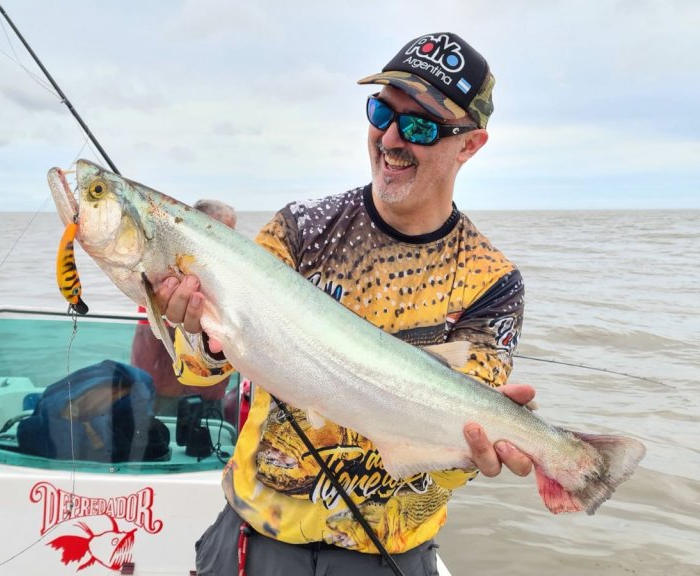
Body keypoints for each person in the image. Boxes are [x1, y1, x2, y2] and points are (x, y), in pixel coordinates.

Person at [156, 32, 535, 575]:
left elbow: (455, 461)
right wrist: (189, 328)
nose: (391, 137)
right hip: (254, 536)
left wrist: (485, 449)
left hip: (386, 553)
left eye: (422, 125)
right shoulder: (301, 229)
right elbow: (201, 367)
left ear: (469, 144)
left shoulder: (490, 283)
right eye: (382, 110)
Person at [130, 199, 238, 417]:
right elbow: (152, 332)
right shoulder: (169, 266)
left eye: (232, 233)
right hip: (163, 382)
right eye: (224, 231)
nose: (231, 241)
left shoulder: (225, 272)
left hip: (209, 385)